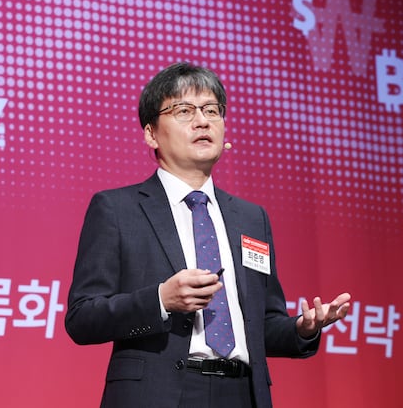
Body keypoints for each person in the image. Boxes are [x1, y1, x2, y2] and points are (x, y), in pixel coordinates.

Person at [64, 62, 351, 408]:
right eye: (184, 111)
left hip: (242, 394)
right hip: (158, 395)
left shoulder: (251, 218)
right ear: (151, 134)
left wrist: (303, 329)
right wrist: (160, 300)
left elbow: (262, 326)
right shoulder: (117, 208)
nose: (202, 121)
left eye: (212, 110)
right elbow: (82, 318)